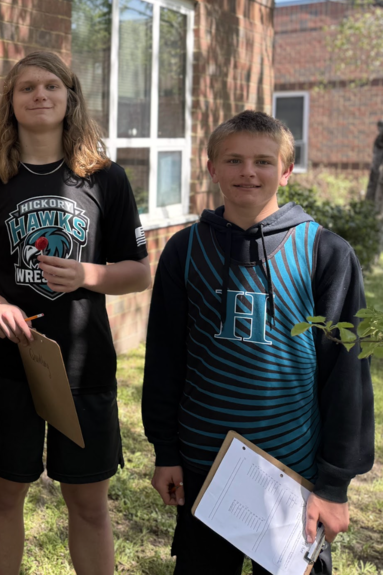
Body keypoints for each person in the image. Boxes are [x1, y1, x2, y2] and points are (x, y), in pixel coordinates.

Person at [142, 110, 375, 575]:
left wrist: (333, 485)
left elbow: (346, 376)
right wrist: (166, 452)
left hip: (293, 470)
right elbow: (165, 359)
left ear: (286, 172)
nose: (248, 171)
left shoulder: (326, 253)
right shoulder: (184, 251)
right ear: (211, 168)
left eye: (264, 162)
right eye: (234, 160)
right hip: (205, 465)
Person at [0, 51, 151, 575]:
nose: (40, 95)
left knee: (87, 502)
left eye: (51, 87)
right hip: (10, 363)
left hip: (84, 368)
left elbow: (138, 272)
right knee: (4, 494)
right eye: (27, 88)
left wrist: (88, 275)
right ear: (10, 104)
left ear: (70, 98)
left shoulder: (106, 179)